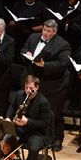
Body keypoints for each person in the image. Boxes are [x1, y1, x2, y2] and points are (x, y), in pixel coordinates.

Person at [21, 19, 71, 149]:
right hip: (34, 82)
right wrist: (27, 53)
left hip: (54, 85)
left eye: (49, 31)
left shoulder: (63, 44)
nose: (45, 33)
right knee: (35, 112)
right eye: (44, 30)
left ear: (54, 32)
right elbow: (23, 49)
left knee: (54, 113)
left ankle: (57, 140)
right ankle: (40, 139)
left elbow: (62, 64)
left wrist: (45, 65)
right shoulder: (33, 37)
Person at [8, 75, 52, 160]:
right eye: (26, 87)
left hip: (37, 133)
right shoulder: (19, 95)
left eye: (31, 88)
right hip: (21, 130)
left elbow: (45, 123)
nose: (28, 91)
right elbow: (11, 107)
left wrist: (27, 122)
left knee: (34, 147)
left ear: (37, 87)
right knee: (4, 140)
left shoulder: (43, 102)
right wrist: (8, 118)